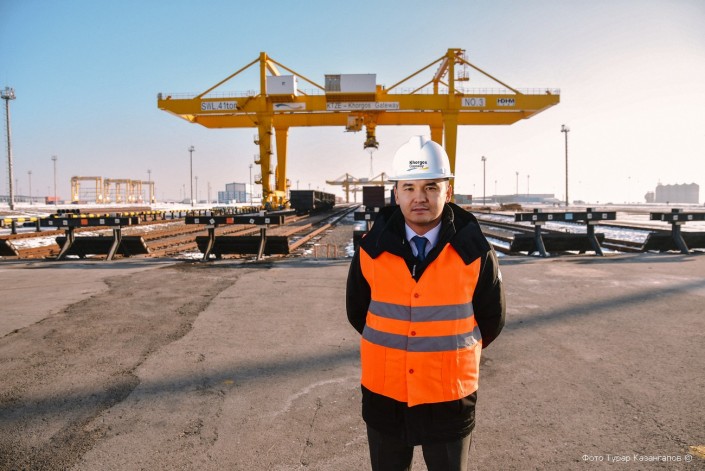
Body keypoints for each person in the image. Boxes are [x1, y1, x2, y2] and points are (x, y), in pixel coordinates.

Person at [346, 136, 505, 471]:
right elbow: (358, 312)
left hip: (449, 396)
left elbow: (492, 319)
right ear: (396, 193)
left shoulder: (475, 252)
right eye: (409, 187)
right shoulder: (370, 250)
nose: (420, 197)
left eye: (431, 187)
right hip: (385, 393)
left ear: (448, 191)